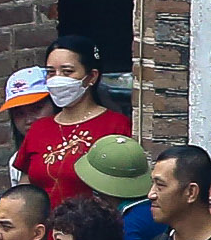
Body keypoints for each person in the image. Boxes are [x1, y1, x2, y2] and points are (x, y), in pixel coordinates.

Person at [15, 34, 134, 207]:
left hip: (92, 231)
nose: (57, 79)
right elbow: (25, 191)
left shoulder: (117, 127)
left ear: (92, 76)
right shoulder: (38, 129)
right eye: (51, 72)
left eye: (67, 72)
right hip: (43, 231)